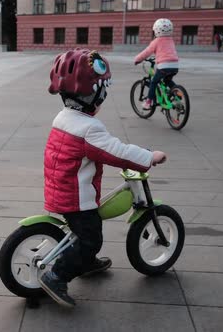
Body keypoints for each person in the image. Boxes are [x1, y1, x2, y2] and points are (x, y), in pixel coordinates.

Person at [40, 49, 167, 308]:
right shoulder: (89, 129)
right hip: (75, 197)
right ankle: (56, 275)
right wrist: (148, 156)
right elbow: (117, 152)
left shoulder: (64, 118)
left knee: (87, 230)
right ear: (94, 95)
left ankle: (85, 262)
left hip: (59, 187)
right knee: (91, 239)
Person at [133, 18, 179, 110]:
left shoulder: (156, 41)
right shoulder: (171, 40)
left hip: (164, 66)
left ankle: (148, 102)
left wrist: (137, 59)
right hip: (175, 65)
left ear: (156, 30)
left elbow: (147, 52)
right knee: (167, 80)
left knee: (153, 82)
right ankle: (177, 92)